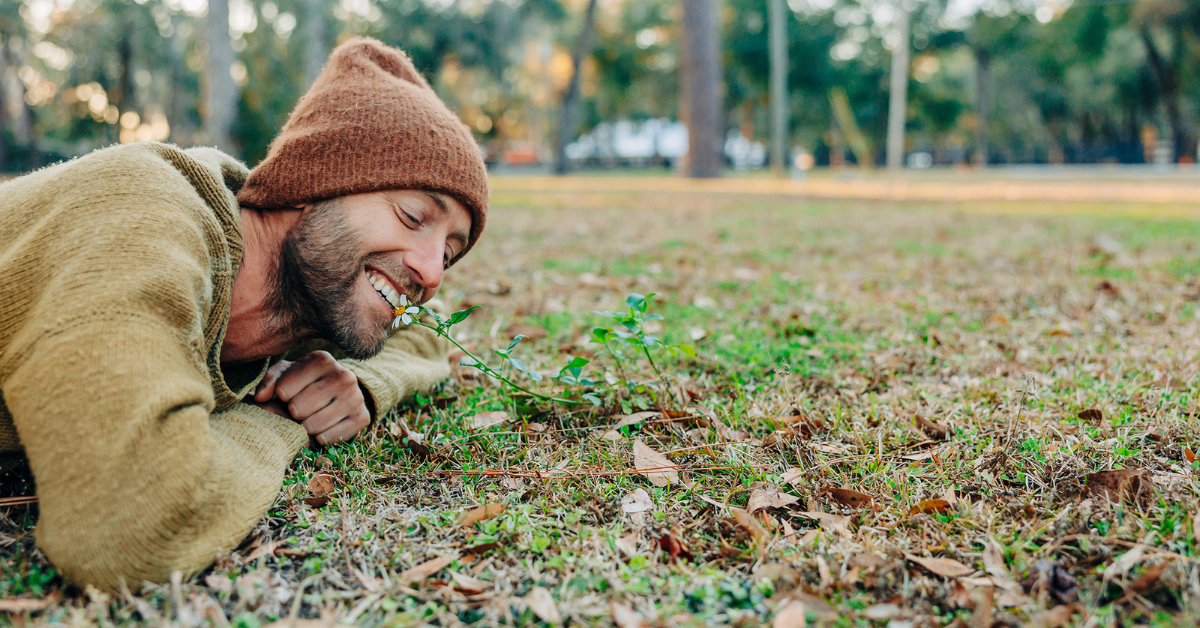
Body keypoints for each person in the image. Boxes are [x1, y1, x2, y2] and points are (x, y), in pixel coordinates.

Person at [0, 37, 487, 592]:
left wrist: (359, 384)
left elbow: (428, 338)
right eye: (412, 215)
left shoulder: (308, 291)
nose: (431, 274)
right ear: (317, 182)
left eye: (449, 251)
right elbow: (129, 528)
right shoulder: (145, 219)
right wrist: (281, 422)